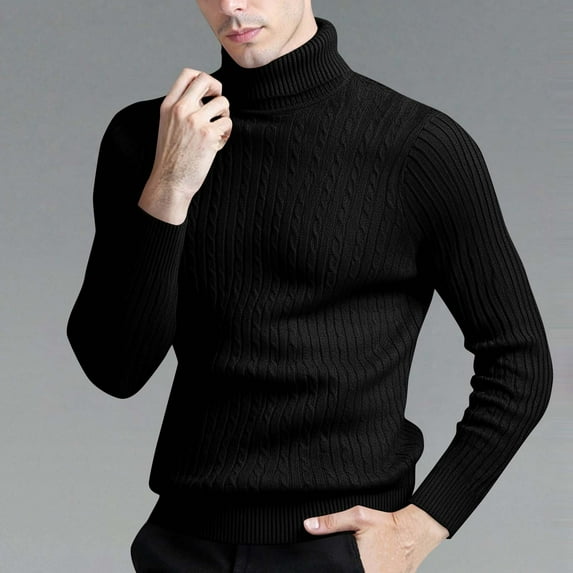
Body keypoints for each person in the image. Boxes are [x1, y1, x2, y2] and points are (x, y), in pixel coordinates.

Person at [66, 1, 553, 571]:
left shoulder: (416, 145)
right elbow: (115, 369)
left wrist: (421, 526)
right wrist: (171, 184)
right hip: (181, 541)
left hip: (336, 546)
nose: (231, 5)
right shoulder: (150, 138)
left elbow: (520, 362)